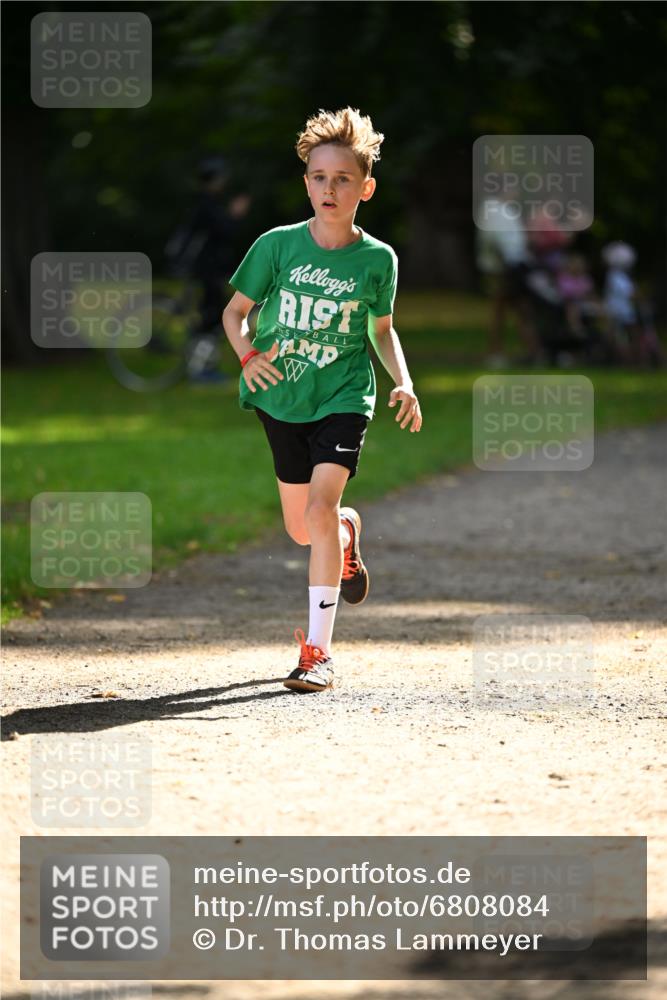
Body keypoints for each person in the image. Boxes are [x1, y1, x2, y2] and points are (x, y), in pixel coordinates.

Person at [222, 107, 422, 693]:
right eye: (317, 177)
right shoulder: (277, 246)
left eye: (341, 179)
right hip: (280, 395)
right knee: (305, 529)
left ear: (366, 187)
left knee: (317, 509)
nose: (328, 189)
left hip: (343, 394)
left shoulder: (376, 258)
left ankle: (318, 652)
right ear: (305, 181)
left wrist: (402, 382)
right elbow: (235, 314)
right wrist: (248, 357)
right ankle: (346, 532)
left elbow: (381, 329)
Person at [166, 156, 251, 383]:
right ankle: (201, 369)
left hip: (203, 270)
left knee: (210, 317)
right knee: (212, 318)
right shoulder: (208, 205)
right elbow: (224, 232)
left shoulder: (202, 202)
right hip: (205, 271)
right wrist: (235, 215)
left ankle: (203, 366)